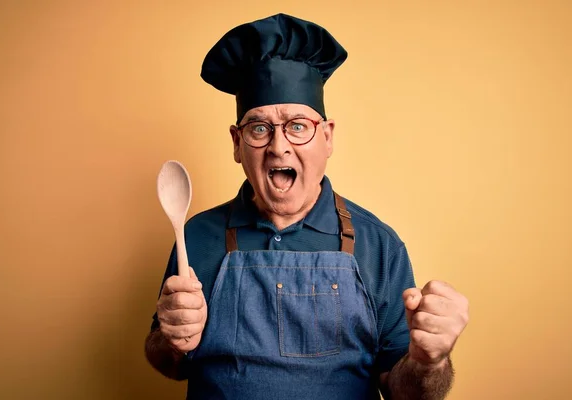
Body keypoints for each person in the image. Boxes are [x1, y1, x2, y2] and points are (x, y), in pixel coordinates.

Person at [145, 13, 469, 400]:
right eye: (259, 128)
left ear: (327, 138)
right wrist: (170, 338)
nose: (279, 146)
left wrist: (429, 361)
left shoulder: (378, 245)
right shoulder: (194, 236)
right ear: (236, 143)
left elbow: (407, 392)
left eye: (298, 125)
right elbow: (168, 363)